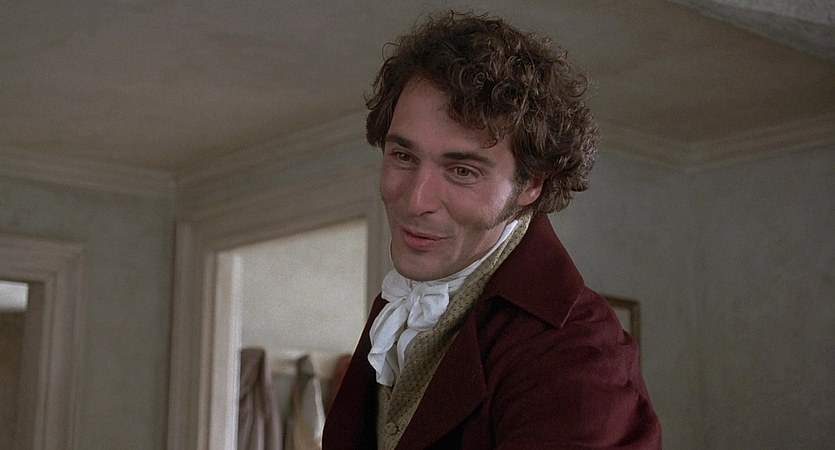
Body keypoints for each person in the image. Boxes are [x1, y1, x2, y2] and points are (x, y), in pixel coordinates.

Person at [322, 10, 661, 449]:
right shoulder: (399, 308)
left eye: (462, 171)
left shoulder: (578, 349)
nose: (416, 200)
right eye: (403, 157)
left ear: (531, 184)